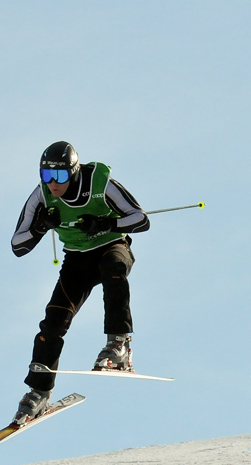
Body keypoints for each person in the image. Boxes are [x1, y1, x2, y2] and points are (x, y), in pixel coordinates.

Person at [9, 141, 150, 424]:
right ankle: (38, 391)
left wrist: (106, 224)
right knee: (53, 321)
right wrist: (40, 226)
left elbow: (140, 219)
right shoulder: (42, 195)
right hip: (77, 259)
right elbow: (17, 244)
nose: (53, 184)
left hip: (112, 246)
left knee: (114, 269)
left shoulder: (100, 183)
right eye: (47, 176)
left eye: (59, 176)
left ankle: (119, 344)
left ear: (73, 172)